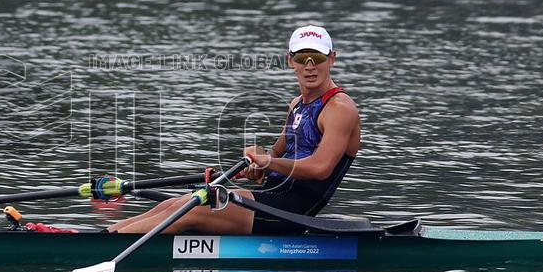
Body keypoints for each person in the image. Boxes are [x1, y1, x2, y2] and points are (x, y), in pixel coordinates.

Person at [107, 24, 360, 235]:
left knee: (192, 209)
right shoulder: (297, 104)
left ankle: (103, 248)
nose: (309, 66)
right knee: (176, 203)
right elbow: (276, 153)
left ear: (332, 58)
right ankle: (104, 237)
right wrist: (259, 163)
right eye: (301, 58)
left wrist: (268, 162)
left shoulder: (339, 108)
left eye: (317, 58)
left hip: (292, 213)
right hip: (270, 197)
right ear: (290, 61)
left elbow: (320, 168)